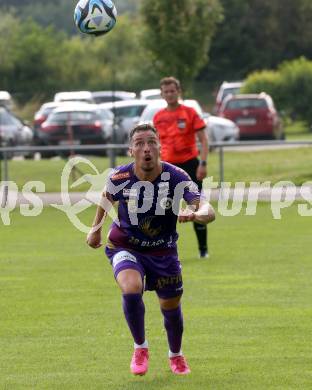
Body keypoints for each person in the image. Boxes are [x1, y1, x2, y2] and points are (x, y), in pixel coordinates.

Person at [86, 124, 215, 376]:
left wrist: (196, 213)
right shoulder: (120, 177)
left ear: (159, 147)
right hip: (125, 245)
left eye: (152, 142)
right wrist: (95, 229)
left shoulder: (176, 177)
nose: (146, 148)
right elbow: (106, 196)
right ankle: (140, 347)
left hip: (163, 251)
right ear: (131, 149)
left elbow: (208, 210)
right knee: (131, 287)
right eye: (140, 143)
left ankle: (176, 355)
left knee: (170, 306)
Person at [153, 76, 210, 258]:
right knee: (164, 209)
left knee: (196, 206)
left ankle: (203, 250)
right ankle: (164, 249)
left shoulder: (190, 112)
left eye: (172, 91)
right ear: (162, 94)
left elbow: (203, 140)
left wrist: (203, 163)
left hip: (190, 164)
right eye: (166, 91)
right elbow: (155, 145)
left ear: (179, 92)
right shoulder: (158, 117)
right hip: (167, 168)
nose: (170, 94)